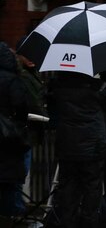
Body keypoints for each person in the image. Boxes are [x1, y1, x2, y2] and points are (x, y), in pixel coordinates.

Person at [48, 67, 106, 228]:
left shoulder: (57, 86)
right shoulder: (95, 86)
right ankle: (88, 223)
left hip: (67, 145)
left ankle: (67, 223)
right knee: (92, 188)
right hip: (93, 146)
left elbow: (51, 109)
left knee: (68, 189)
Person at [13, 37, 47, 215]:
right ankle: (18, 211)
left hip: (29, 132)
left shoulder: (31, 74)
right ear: (18, 56)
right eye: (26, 55)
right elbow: (35, 103)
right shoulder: (24, 76)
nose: (31, 58)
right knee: (21, 174)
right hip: (25, 132)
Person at [0, 42, 29, 218]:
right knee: (10, 182)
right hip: (8, 136)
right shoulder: (13, 80)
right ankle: (12, 215)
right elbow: (21, 107)